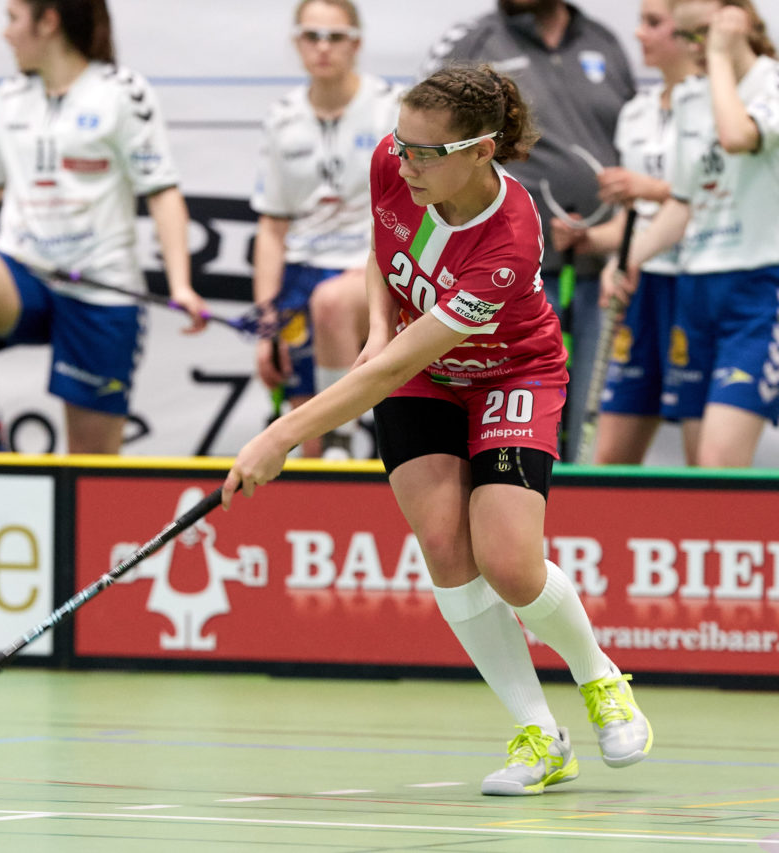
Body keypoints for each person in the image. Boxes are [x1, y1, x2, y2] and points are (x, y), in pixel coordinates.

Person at [223, 65, 652, 796]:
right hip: (420, 368)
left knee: (511, 563)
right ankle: (539, 736)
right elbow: (380, 252)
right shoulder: (395, 162)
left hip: (511, 373)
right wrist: (381, 322)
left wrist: (278, 436)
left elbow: (381, 379)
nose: (406, 161)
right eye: (402, 143)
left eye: (427, 152)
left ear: (483, 151)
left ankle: (601, 677)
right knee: (448, 547)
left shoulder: (511, 243)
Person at [0, 0, 208, 455]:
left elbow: (162, 191)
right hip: (25, 277)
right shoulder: (10, 97)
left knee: (91, 468)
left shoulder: (122, 92)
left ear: (48, 21)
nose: (6, 33)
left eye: (13, 19)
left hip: (101, 290)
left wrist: (181, 285)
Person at [423, 0, 636, 462]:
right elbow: (428, 150)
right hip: (502, 279)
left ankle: (575, 526)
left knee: (584, 428)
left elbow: (635, 146)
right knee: (513, 431)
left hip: (598, 270)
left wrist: (620, 237)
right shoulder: (471, 41)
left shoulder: (605, 42)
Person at [615, 0, 779, 467]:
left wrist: (724, 57)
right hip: (695, 291)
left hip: (759, 291)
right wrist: (631, 258)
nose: (697, 47)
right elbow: (685, 202)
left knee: (718, 462)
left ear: (738, 19)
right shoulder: (690, 97)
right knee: (697, 472)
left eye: (704, 31)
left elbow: (736, 136)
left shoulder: (770, 82)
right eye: (688, 36)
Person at [251, 0, 400, 459]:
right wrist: (264, 322)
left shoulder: (389, 107)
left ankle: (344, 434)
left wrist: (376, 264)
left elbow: (415, 206)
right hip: (302, 269)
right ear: (297, 43)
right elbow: (273, 227)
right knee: (306, 441)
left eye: (335, 37)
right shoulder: (283, 118)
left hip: (372, 269)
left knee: (332, 302)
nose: (323, 47)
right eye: (311, 35)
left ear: (356, 43)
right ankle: (330, 447)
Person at [552, 0, 695, 464]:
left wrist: (647, 187)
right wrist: (591, 241)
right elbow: (634, 223)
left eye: (653, 23)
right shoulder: (637, 112)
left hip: (699, 281)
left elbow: (710, 196)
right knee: (608, 456)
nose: (638, 35)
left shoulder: (719, 103)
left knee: (709, 461)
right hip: (642, 283)